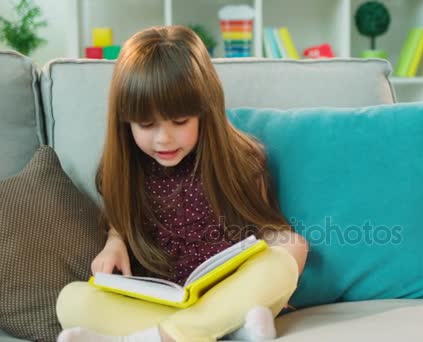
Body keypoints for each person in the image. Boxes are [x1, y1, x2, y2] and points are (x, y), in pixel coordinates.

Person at [56, 25, 309, 342]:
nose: (163, 138)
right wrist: (114, 241)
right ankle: (224, 332)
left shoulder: (242, 160)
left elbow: (262, 226)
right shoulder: (122, 168)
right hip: (160, 302)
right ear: (125, 122)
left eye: (179, 122)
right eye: (146, 124)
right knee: (72, 300)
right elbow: (118, 219)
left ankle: (156, 337)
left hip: (227, 291)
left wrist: (283, 248)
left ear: (206, 111)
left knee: (290, 250)